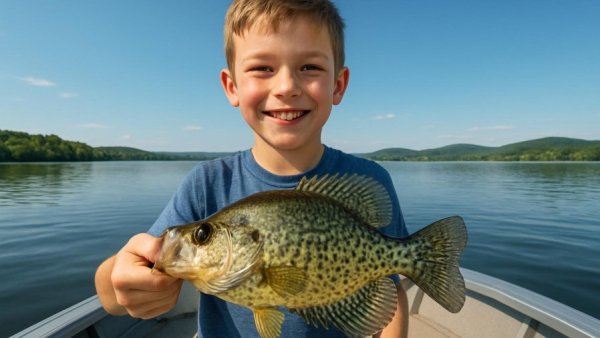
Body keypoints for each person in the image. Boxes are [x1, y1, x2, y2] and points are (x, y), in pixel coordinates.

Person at [95, 0, 409, 337]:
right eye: (262, 68)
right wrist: (120, 280)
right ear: (232, 86)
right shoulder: (206, 185)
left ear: (338, 85)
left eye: (309, 67)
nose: (287, 86)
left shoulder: (367, 180)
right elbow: (111, 296)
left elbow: (389, 284)